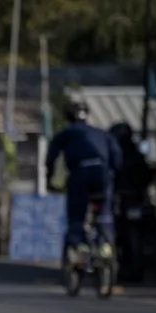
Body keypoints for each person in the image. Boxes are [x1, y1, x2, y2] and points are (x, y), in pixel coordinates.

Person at [45, 101, 123, 265]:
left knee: (76, 216)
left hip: (79, 176)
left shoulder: (65, 134)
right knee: (104, 214)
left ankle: (78, 250)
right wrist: (114, 177)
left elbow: (51, 157)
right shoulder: (102, 133)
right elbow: (117, 158)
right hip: (102, 177)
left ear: (67, 117)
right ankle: (106, 247)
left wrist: (49, 178)